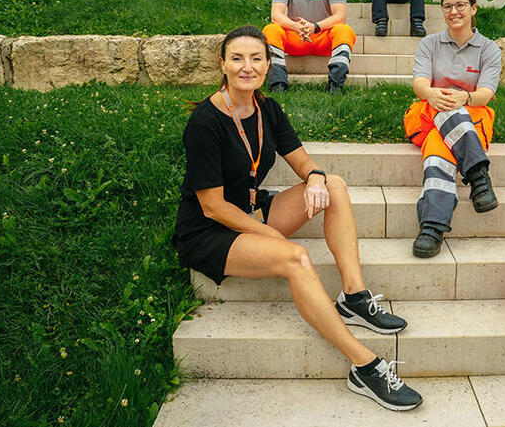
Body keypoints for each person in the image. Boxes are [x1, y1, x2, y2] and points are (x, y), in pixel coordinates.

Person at [172, 25, 422, 411]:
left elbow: (300, 160)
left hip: (252, 210)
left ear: (268, 64)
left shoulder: (266, 108)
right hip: (210, 231)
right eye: (237, 58)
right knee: (296, 258)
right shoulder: (205, 121)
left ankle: (353, 296)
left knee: (334, 186)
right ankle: (365, 366)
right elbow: (213, 206)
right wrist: (273, 238)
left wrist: (316, 177)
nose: (247, 67)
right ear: (222, 64)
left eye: (256, 58)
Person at [403, 0, 501, 259]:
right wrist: (433, 94)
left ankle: (432, 227)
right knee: (444, 103)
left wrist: (464, 99)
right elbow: (419, 83)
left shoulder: (489, 49)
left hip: (472, 115)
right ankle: (478, 177)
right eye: (448, 6)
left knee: (437, 154)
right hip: (429, 112)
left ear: (473, 9)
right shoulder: (429, 44)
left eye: (460, 5)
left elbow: (486, 94)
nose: (454, 11)